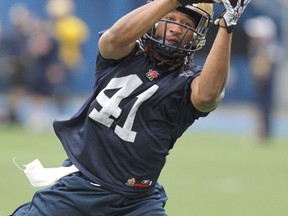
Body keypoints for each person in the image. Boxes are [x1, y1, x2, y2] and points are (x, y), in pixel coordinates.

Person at [11, 0, 250, 215]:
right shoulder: (125, 53)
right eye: (169, 18)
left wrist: (227, 26)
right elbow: (112, 39)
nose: (176, 29)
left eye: (185, 23)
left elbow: (208, 96)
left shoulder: (190, 79)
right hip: (82, 185)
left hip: (137, 202)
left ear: (198, 33)